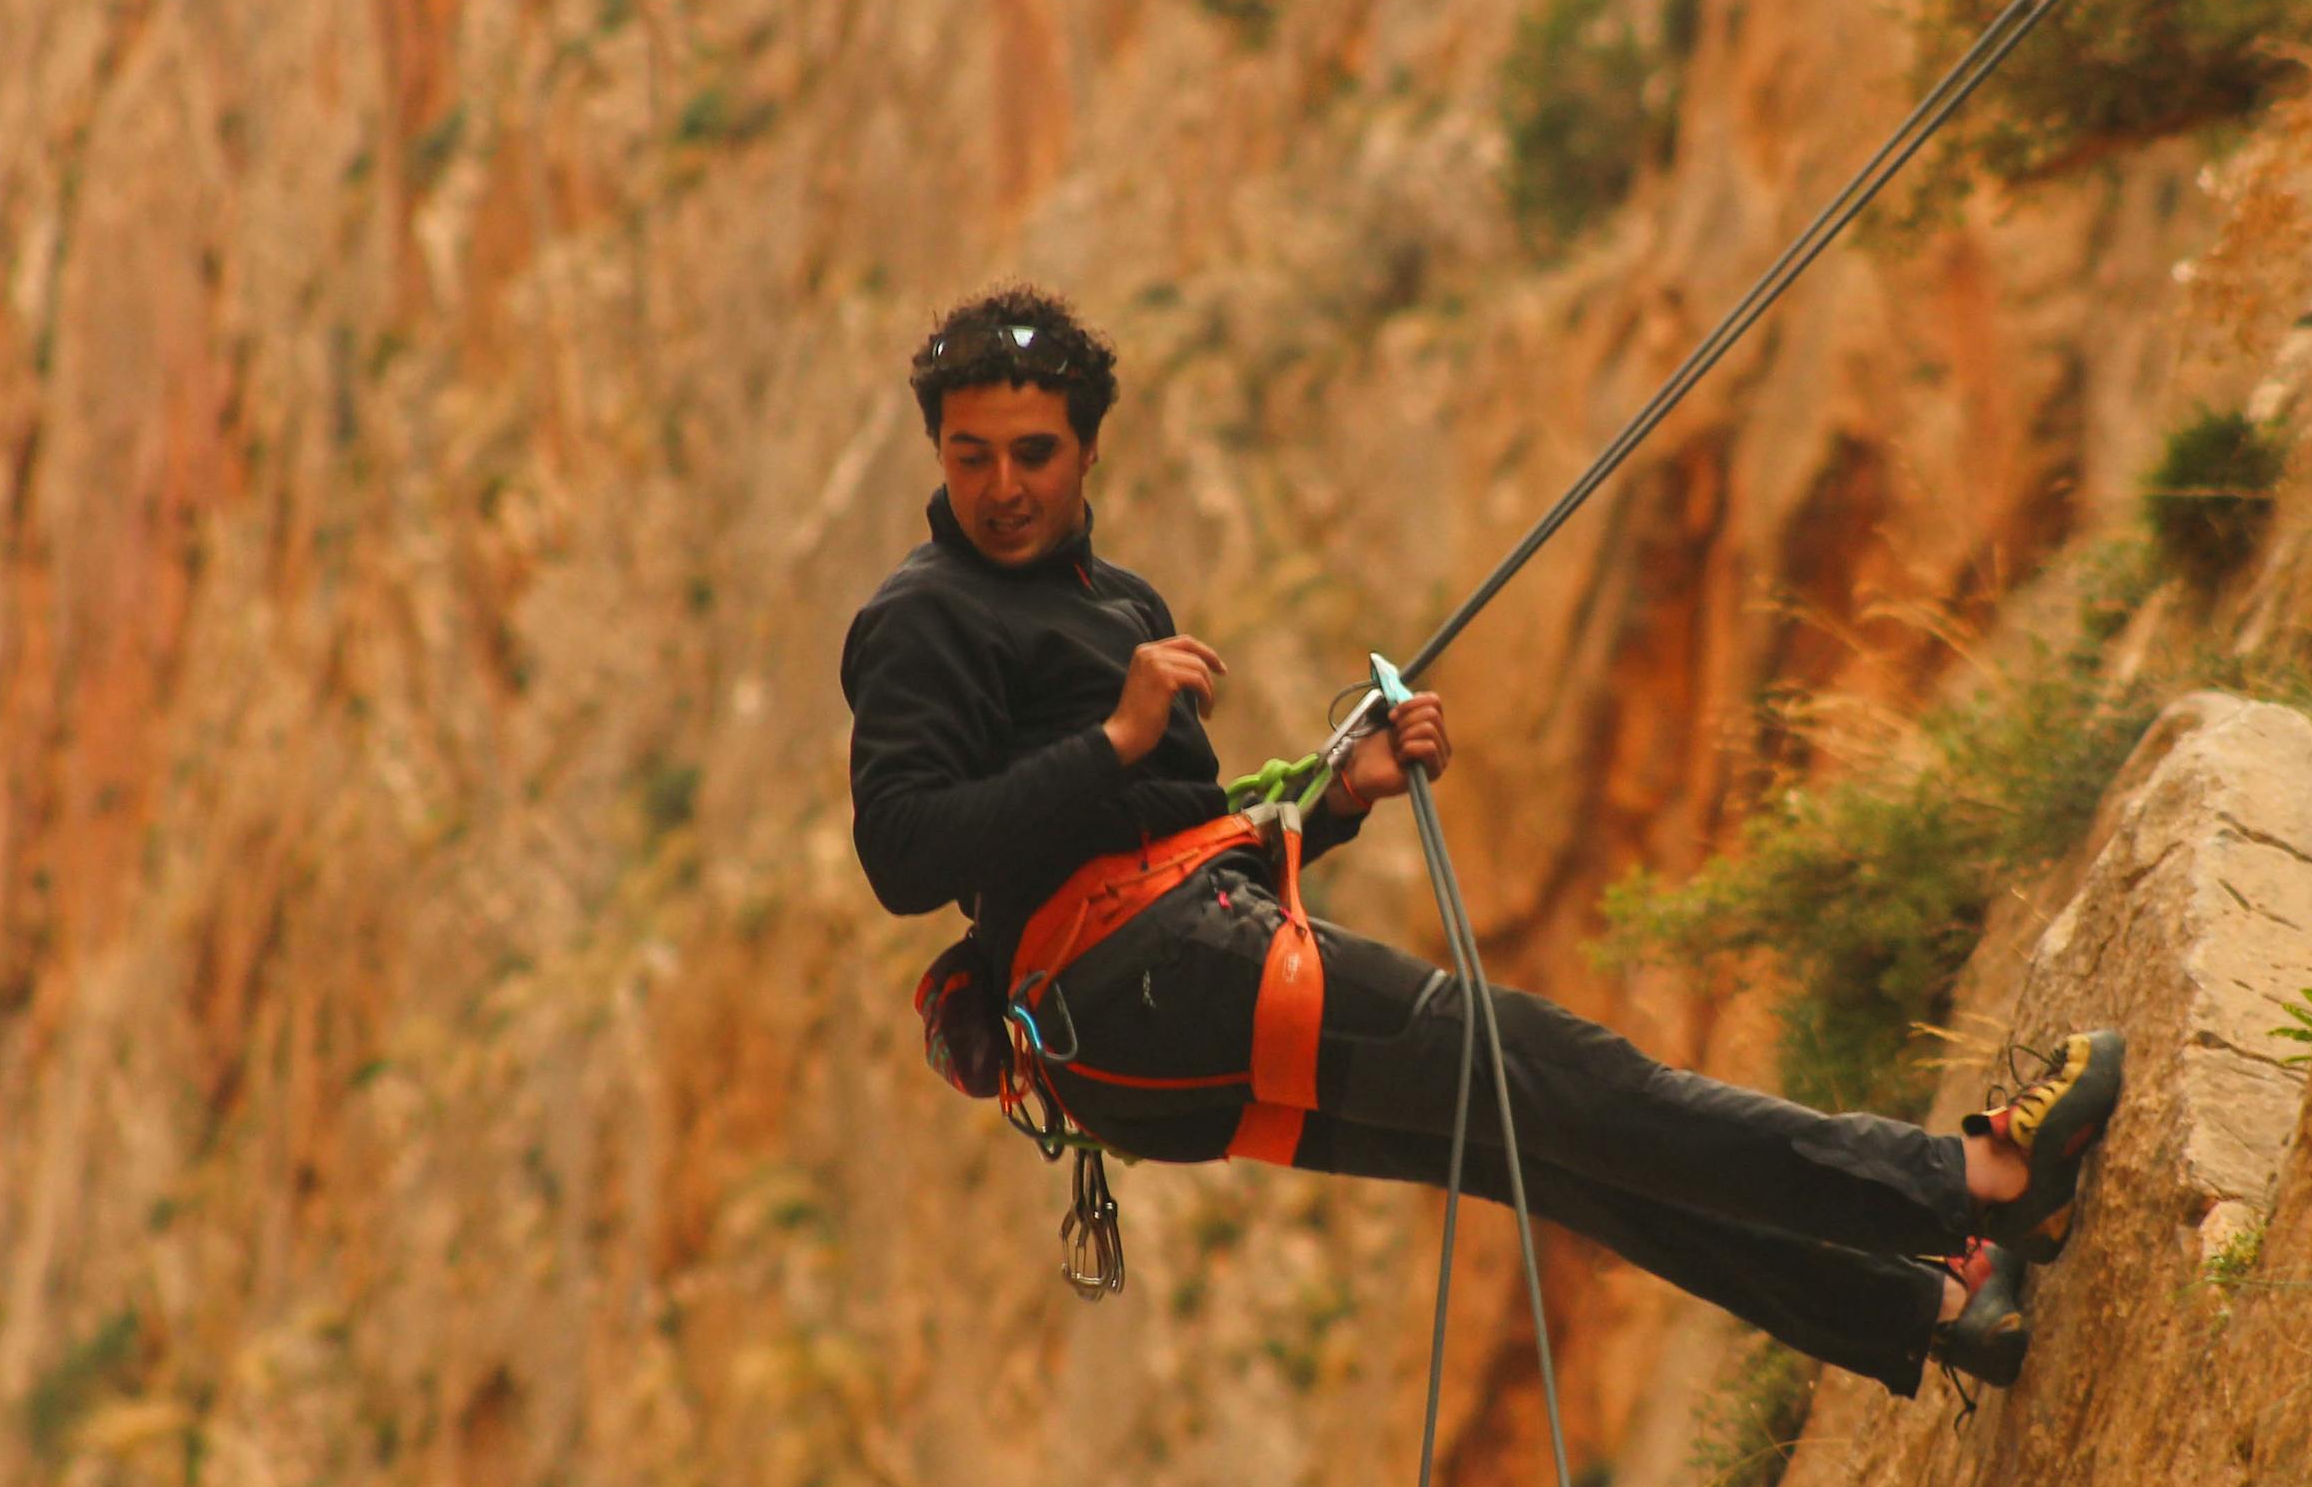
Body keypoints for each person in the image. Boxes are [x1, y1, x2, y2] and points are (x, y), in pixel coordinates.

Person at [838, 285, 2123, 1397]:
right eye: (970, 458)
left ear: (1089, 450)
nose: (1003, 488)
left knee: (1560, 1151)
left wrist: (1338, 802)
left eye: (1033, 453)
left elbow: (1155, 845)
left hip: (1153, 1002)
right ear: (937, 457)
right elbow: (905, 853)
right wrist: (1115, 739)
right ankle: (1981, 1178)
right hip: (1136, 990)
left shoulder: (1114, 603)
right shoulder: (924, 620)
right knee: (1575, 1080)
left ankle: (1936, 1313)